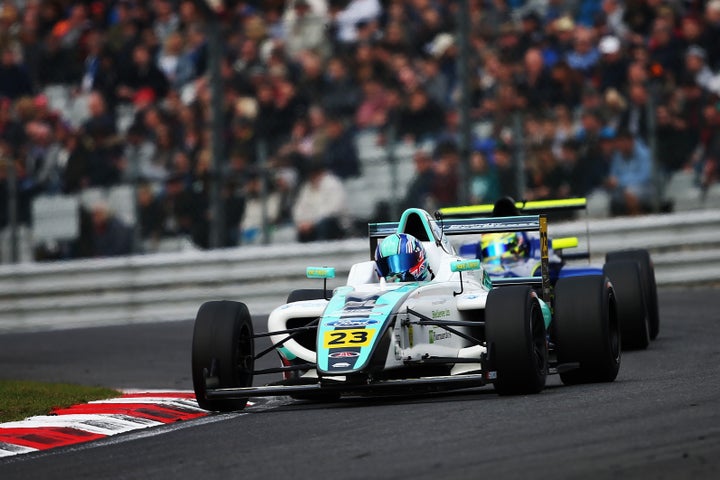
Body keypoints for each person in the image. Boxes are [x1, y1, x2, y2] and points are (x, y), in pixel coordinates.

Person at [292, 159, 347, 242]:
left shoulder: (333, 184)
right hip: (311, 224)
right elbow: (299, 207)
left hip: (335, 224)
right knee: (301, 230)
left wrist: (312, 222)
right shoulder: (307, 187)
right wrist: (302, 222)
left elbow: (333, 209)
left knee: (325, 224)